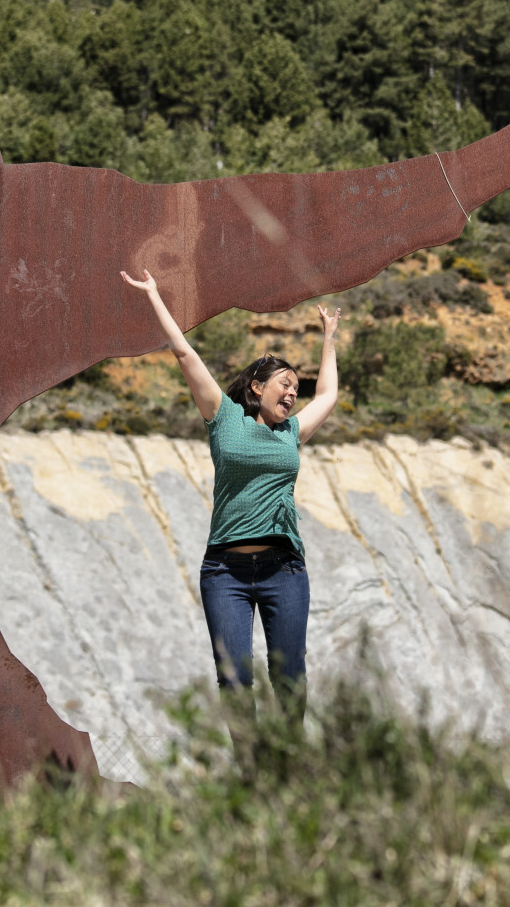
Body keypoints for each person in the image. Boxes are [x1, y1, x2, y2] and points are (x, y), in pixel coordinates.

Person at [121, 267, 340, 731]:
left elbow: (327, 394)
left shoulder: (291, 432)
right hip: (225, 572)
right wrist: (154, 294)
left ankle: (288, 763)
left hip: (284, 570)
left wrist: (329, 338)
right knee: (235, 680)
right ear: (257, 387)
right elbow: (184, 353)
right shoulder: (224, 418)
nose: (292, 392)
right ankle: (251, 765)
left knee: (290, 678)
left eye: (294, 387)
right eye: (284, 383)